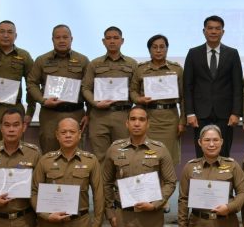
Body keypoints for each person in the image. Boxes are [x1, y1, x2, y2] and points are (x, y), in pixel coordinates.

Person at [183, 15, 243, 157]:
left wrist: (236, 113)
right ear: (204, 31)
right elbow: (187, 86)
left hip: (225, 114)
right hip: (200, 114)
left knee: (223, 152)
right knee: (201, 153)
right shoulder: (193, 53)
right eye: (210, 28)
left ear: (223, 32)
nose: (214, 32)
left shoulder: (232, 53)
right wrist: (190, 113)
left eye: (217, 28)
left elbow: (237, 86)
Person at [26, 24, 89, 154]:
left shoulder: (83, 60)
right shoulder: (42, 60)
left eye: (65, 37)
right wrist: (43, 100)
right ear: (52, 39)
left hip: (75, 113)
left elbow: (89, 87)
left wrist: (89, 113)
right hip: (50, 115)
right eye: (58, 37)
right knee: (49, 154)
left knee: (76, 154)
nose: (61, 40)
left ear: (71, 39)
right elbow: (31, 83)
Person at [83, 26, 137, 159]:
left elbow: (136, 90)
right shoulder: (94, 64)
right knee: (100, 157)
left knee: (123, 156)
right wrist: (95, 103)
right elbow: (86, 88)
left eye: (116, 38)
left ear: (122, 41)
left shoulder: (132, 64)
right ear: (103, 41)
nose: (112, 41)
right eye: (108, 38)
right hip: (99, 116)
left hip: (123, 115)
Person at [131, 34, 185, 165]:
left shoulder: (176, 69)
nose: (158, 50)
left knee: (168, 158)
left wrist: (182, 121)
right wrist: (139, 99)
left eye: (162, 47)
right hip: (148, 118)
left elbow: (184, 97)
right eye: (155, 47)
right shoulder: (140, 69)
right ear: (149, 50)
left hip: (170, 119)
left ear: (167, 49)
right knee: (147, 158)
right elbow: (132, 91)